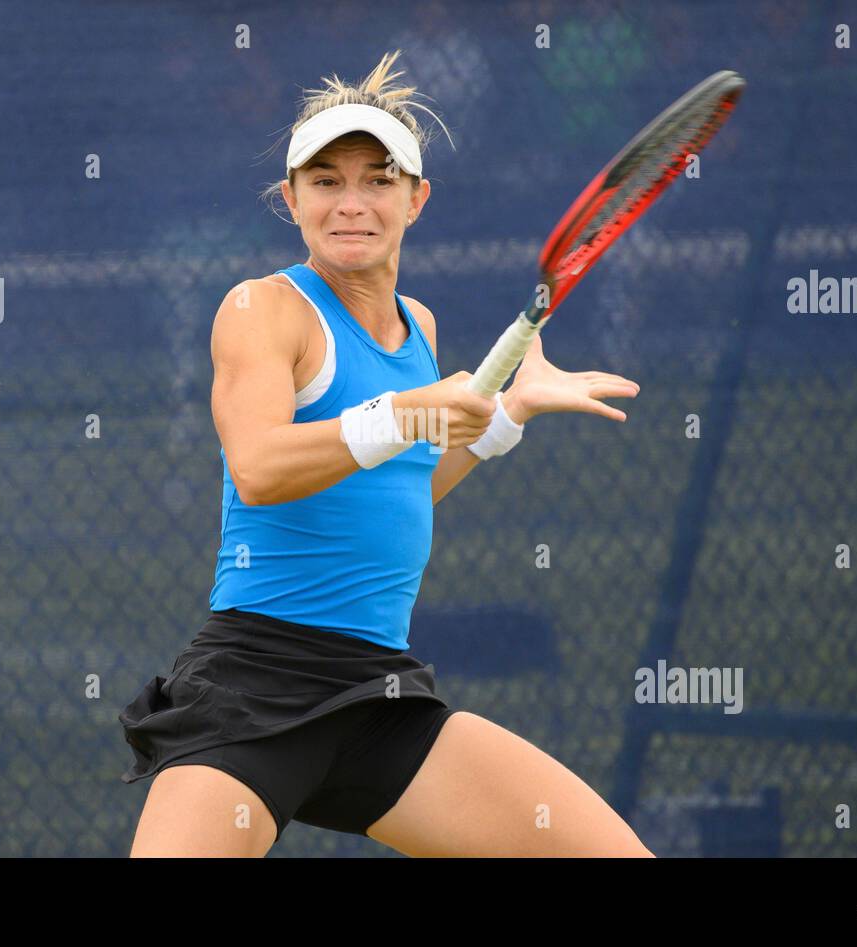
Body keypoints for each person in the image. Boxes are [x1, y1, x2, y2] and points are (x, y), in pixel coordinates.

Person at [120, 50, 652, 858]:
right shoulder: (261, 309)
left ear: (417, 198)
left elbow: (394, 489)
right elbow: (260, 468)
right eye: (326, 181)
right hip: (253, 689)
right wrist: (407, 410)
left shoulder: (421, 328)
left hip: (381, 697)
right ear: (291, 198)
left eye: (378, 178)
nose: (351, 202)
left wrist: (504, 417)